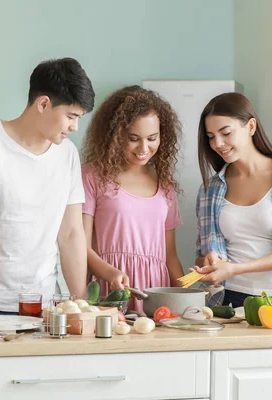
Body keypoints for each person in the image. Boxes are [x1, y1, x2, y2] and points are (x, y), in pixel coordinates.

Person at [0, 58, 95, 315]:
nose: (75, 127)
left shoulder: (67, 154)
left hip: (46, 308)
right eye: (70, 116)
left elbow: (71, 233)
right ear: (44, 104)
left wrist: (80, 305)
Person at [193, 92, 272, 308]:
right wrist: (207, 260)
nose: (218, 143)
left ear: (250, 127)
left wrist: (236, 268)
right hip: (225, 300)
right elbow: (200, 254)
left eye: (226, 133)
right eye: (211, 136)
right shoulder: (209, 189)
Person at [81, 85, 184, 313]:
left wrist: (191, 299)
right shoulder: (91, 176)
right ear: (115, 135)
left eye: (152, 138)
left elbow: (171, 257)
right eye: (133, 138)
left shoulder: (165, 186)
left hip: (157, 297)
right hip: (111, 292)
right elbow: (80, 246)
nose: (144, 148)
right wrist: (110, 273)